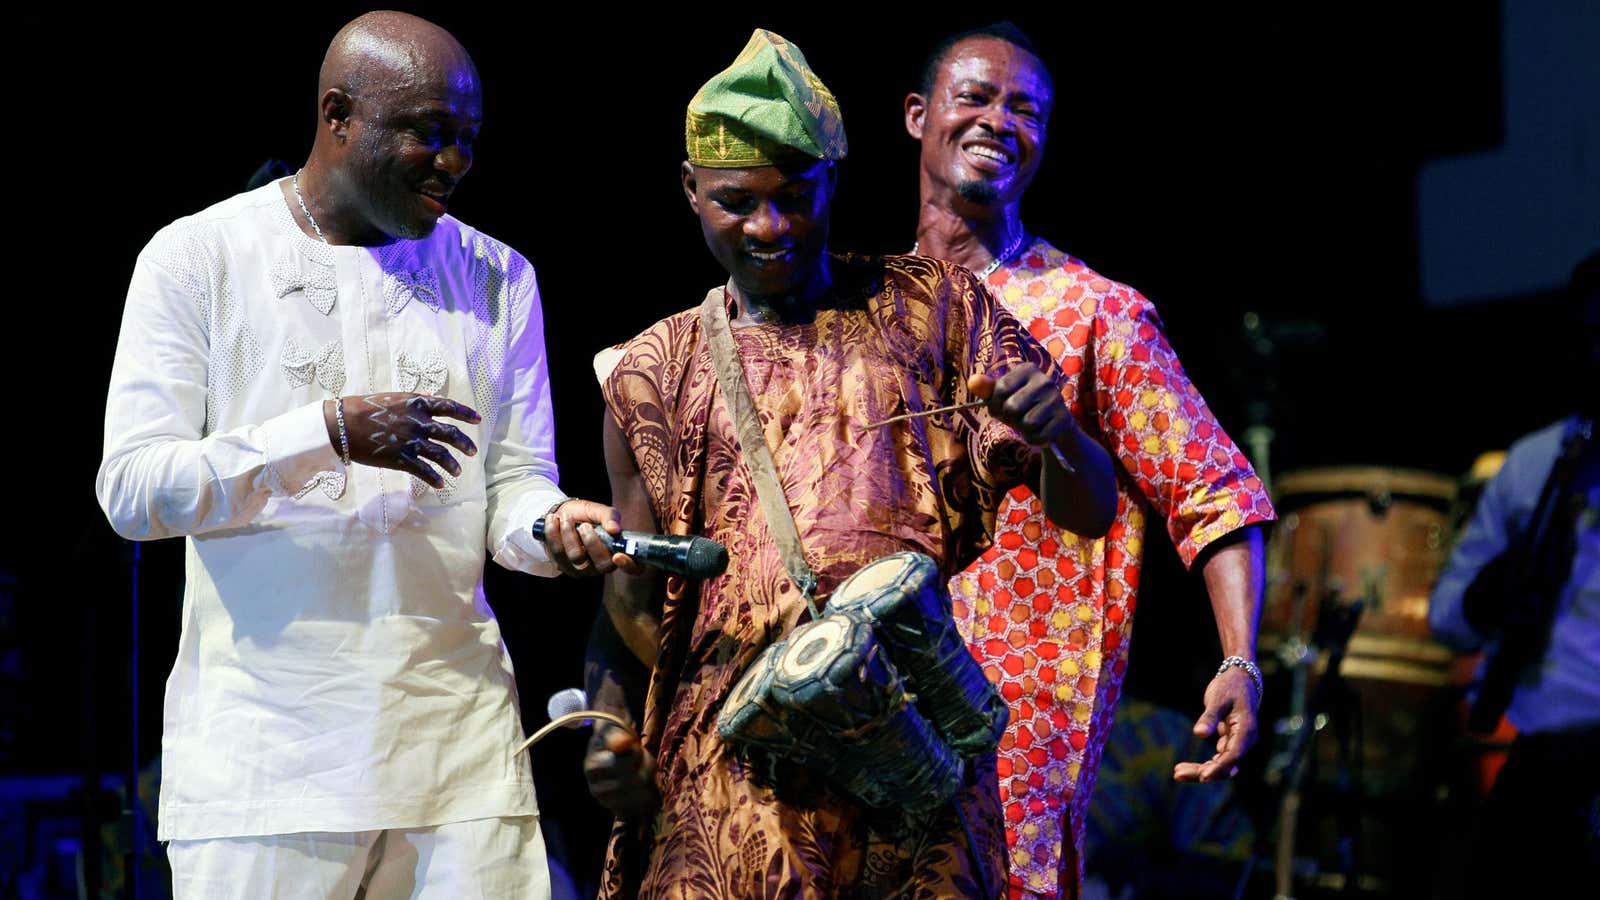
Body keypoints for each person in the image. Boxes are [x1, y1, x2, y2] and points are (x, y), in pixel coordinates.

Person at [95, 12, 624, 897]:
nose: (454, 162)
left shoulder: (498, 276)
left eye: (467, 138)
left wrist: (557, 528)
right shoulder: (198, 258)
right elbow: (134, 489)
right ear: (337, 115)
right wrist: (326, 432)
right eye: (427, 133)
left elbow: (512, 492)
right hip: (269, 765)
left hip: (457, 757)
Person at [580, 29, 1118, 898]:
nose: (770, 227)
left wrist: (1062, 435)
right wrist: (610, 734)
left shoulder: (935, 310)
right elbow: (629, 598)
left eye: (797, 196)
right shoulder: (650, 372)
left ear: (835, 179)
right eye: (735, 202)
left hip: (912, 761)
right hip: (733, 785)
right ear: (689, 189)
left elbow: (1089, 510)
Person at [904, 23, 1277, 898]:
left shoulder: (1093, 311)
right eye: (977, 97)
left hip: (1016, 723)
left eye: (1026, 109)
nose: (1001, 119)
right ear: (918, 116)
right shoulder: (859, 306)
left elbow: (1215, 491)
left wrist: (1239, 660)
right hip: (868, 697)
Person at [1428, 251, 1600, 896]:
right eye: (1590, 336)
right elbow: (1447, 619)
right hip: (1548, 748)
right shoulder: (1534, 464)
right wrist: (1493, 592)